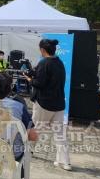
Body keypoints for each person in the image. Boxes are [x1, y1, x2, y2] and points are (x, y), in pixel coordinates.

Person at [25, 38, 71, 170]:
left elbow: (39, 83)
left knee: (34, 128)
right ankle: (65, 162)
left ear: (42, 50)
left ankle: (27, 152)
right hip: (59, 104)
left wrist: (29, 79)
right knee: (60, 134)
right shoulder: (59, 62)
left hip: (43, 103)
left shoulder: (44, 63)